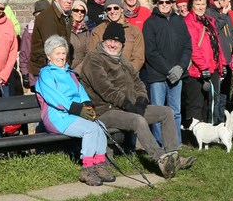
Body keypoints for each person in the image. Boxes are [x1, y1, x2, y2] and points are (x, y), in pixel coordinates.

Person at [79, 22, 193, 179]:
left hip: (129, 108)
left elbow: (139, 83)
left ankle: (174, 156)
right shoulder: (94, 59)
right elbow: (106, 90)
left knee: (167, 112)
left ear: (122, 44)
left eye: (117, 42)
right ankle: (161, 159)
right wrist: (128, 104)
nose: (113, 44)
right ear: (104, 41)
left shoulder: (123, 61)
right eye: (110, 41)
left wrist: (141, 100)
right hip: (106, 111)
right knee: (138, 120)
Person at [34, 35, 110, 186]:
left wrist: (87, 105)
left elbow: (80, 91)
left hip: (73, 114)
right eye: (57, 53)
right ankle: (87, 169)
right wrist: (78, 109)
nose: (61, 57)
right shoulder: (46, 74)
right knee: (90, 130)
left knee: (101, 126)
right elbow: (55, 98)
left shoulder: (70, 73)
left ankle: (99, 164)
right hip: (56, 117)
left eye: (63, 53)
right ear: (49, 56)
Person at [142, 0, 192, 145]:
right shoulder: (150, 23)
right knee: (158, 112)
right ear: (156, 4)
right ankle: (159, 143)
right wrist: (169, 69)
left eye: (167, 2)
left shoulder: (179, 21)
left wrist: (180, 67)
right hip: (158, 75)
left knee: (175, 112)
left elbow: (187, 47)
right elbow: (151, 52)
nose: (164, 5)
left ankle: (175, 143)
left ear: (172, 4)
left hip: (178, 75)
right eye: (161, 2)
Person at [183, 0, 224, 127]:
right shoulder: (189, 21)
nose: (200, 7)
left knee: (211, 101)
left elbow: (216, 44)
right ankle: (194, 135)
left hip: (212, 67)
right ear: (191, 5)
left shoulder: (209, 21)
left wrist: (221, 64)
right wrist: (203, 66)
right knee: (196, 103)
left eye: (203, 4)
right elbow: (193, 46)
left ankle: (208, 133)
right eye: (197, 4)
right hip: (196, 69)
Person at [29, 0, 75, 82]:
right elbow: (52, 46)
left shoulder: (66, 15)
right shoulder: (48, 17)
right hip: (46, 69)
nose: (69, 1)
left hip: (58, 66)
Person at [207, 0, 233, 121]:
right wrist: (223, 15)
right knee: (218, 93)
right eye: (228, 1)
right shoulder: (210, 13)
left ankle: (223, 119)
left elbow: (229, 31)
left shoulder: (225, 12)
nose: (229, 4)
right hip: (217, 59)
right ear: (220, 0)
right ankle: (216, 120)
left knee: (225, 92)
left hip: (227, 57)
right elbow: (214, 30)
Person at [87, 0, 145, 72]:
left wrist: (126, 74)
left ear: (121, 9)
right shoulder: (97, 31)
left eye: (116, 8)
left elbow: (138, 58)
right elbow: (92, 55)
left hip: (128, 76)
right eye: (109, 9)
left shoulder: (134, 31)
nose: (112, 11)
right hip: (104, 76)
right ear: (106, 12)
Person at [20, 0, 50, 89]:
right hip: (35, 75)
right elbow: (24, 53)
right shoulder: (29, 31)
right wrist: (25, 73)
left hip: (52, 74)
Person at [66, 0, 93, 73]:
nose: (79, 13)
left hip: (80, 72)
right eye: (76, 10)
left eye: (82, 11)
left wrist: (77, 71)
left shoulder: (86, 32)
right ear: (71, 11)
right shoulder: (64, 28)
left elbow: (88, 54)